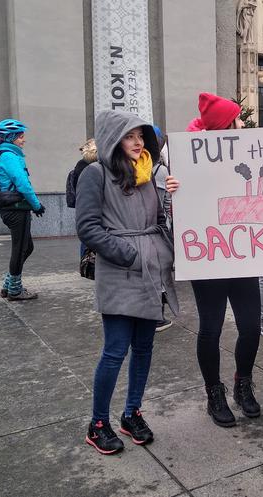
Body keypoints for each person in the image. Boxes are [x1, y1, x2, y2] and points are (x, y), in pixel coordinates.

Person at [76, 110, 178, 455]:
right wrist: (129, 254)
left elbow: (159, 219)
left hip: (152, 272)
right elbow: (88, 228)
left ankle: (131, 412)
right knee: (115, 350)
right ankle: (98, 423)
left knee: (145, 348)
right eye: (129, 136)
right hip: (120, 273)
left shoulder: (148, 173)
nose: (137, 142)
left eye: (140, 136)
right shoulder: (95, 174)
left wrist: (169, 202)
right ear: (112, 139)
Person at [167, 92, 263, 429]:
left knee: (251, 326)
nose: (243, 123)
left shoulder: (247, 153)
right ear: (226, 125)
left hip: (243, 255)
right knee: (210, 328)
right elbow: (174, 214)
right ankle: (214, 392)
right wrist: (172, 192)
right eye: (238, 119)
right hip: (208, 257)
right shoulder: (184, 161)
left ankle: (242, 382)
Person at [0, 119, 45, 301]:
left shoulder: (3, 153)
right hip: (16, 210)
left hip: (11, 209)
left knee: (26, 247)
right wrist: (37, 205)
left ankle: (8, 284)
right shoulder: (9, 156)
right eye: (21, 136)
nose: (24, 140)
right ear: (12, 137)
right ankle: (15, 290)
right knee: (20, 248)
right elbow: (23, 184)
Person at [151, 125, 173, 333]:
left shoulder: (143, 167)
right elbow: (163, 203)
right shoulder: (160, 170)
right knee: (159, 273)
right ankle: (157, 316)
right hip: (158, 229)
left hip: (152, 228)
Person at [71, 138, 98, 259]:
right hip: (96, 204)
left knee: (86, 234)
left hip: (83, 204)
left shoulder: (80, 164)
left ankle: (85, 259)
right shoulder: (97, 166)